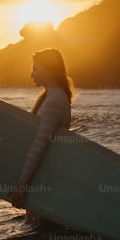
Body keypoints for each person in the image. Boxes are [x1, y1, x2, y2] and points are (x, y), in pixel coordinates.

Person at [9, 49, 74, 221]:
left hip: (47, 183)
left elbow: (39, 146)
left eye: (36, 69)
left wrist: (22, 185)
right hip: (43, 181)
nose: (31, 74)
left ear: (50, 70)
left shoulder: (54, 101)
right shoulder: (50, 97)